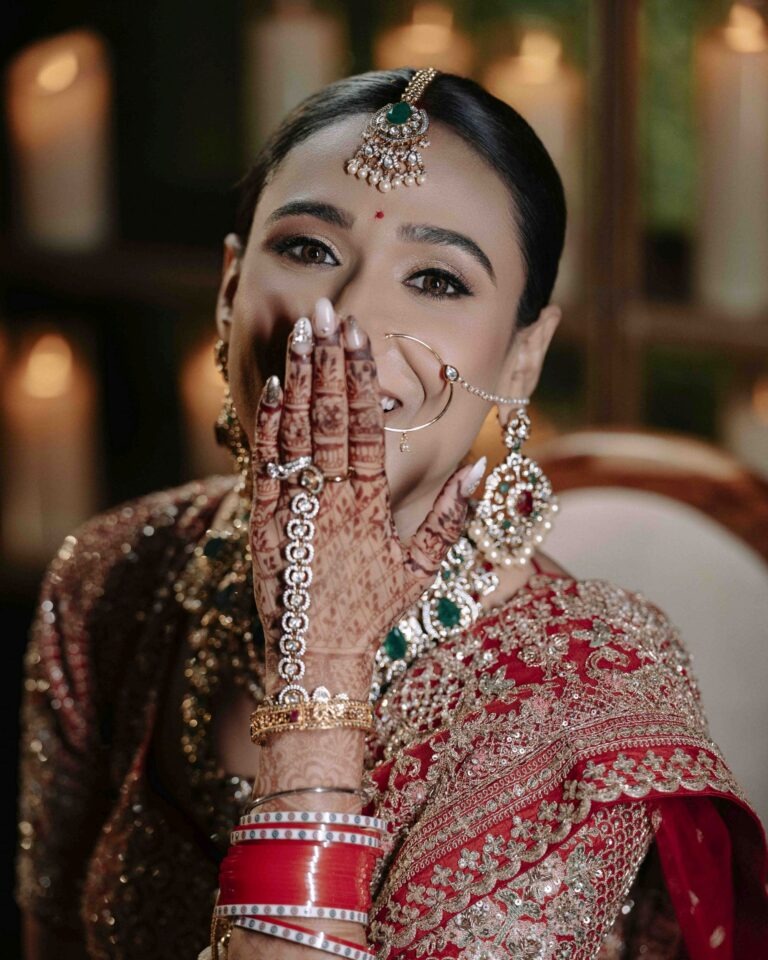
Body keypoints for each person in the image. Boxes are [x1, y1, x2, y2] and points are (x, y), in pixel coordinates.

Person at [15, 67, 768, 960]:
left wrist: (321, 666)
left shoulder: (583, 694)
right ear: (228, 287)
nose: (353, 319)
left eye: (439, 280)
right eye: (308, 250)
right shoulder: (114, 574)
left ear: (523, 357)